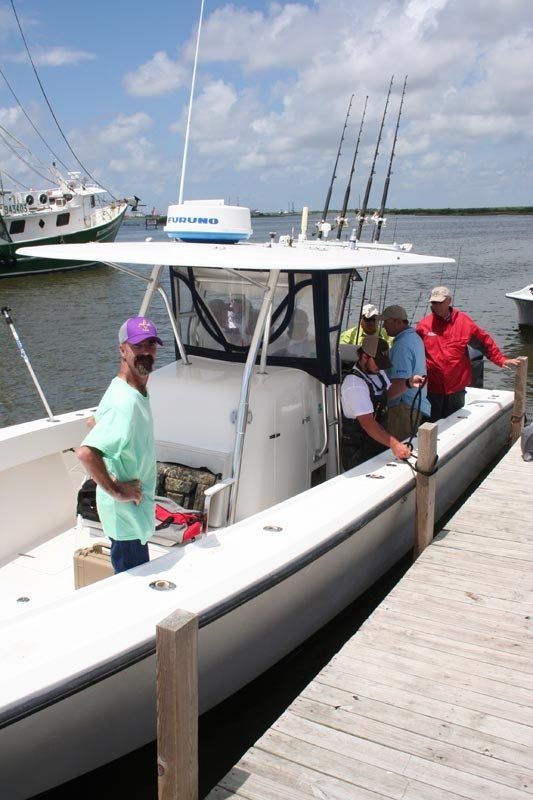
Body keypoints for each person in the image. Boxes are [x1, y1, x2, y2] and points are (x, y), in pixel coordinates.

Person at [76, 316, 162, 573]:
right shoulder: (125, 403)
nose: (146, 351)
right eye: (138, 346)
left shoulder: (128, 389)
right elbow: (86, 453)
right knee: (133, 588)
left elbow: (94, 421)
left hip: (133, 513)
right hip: (126, 517)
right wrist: (116, 490)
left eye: (151, 344)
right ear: (122, 350)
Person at [416, 286, 521, 421]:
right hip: (431, 388)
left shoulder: (464, 322)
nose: (436, 306)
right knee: (430, 424)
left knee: (454, 424)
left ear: (449, 301)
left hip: (456, 387)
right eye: (433, 303)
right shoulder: (423, 326)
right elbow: (414, 353)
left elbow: (484, 342)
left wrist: (500, 359)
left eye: (440, 302)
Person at [340, 334, 413, 469]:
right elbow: (368, 423)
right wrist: (395, 444)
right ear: (364, 357)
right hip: (358, 452)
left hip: (377, 443)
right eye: (378, 363)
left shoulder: (377, 372)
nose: (380, 367)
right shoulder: (354, 385)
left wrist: (409, 383)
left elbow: (389, 393)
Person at [377, 304, 431, 441]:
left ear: (398, 322)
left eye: (386, 322)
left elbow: (400, 383)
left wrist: (381, 400)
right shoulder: (415, 338)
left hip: (403, 407)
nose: (383, 326)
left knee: (400, 447)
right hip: (415, 403)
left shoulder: (401, 346)